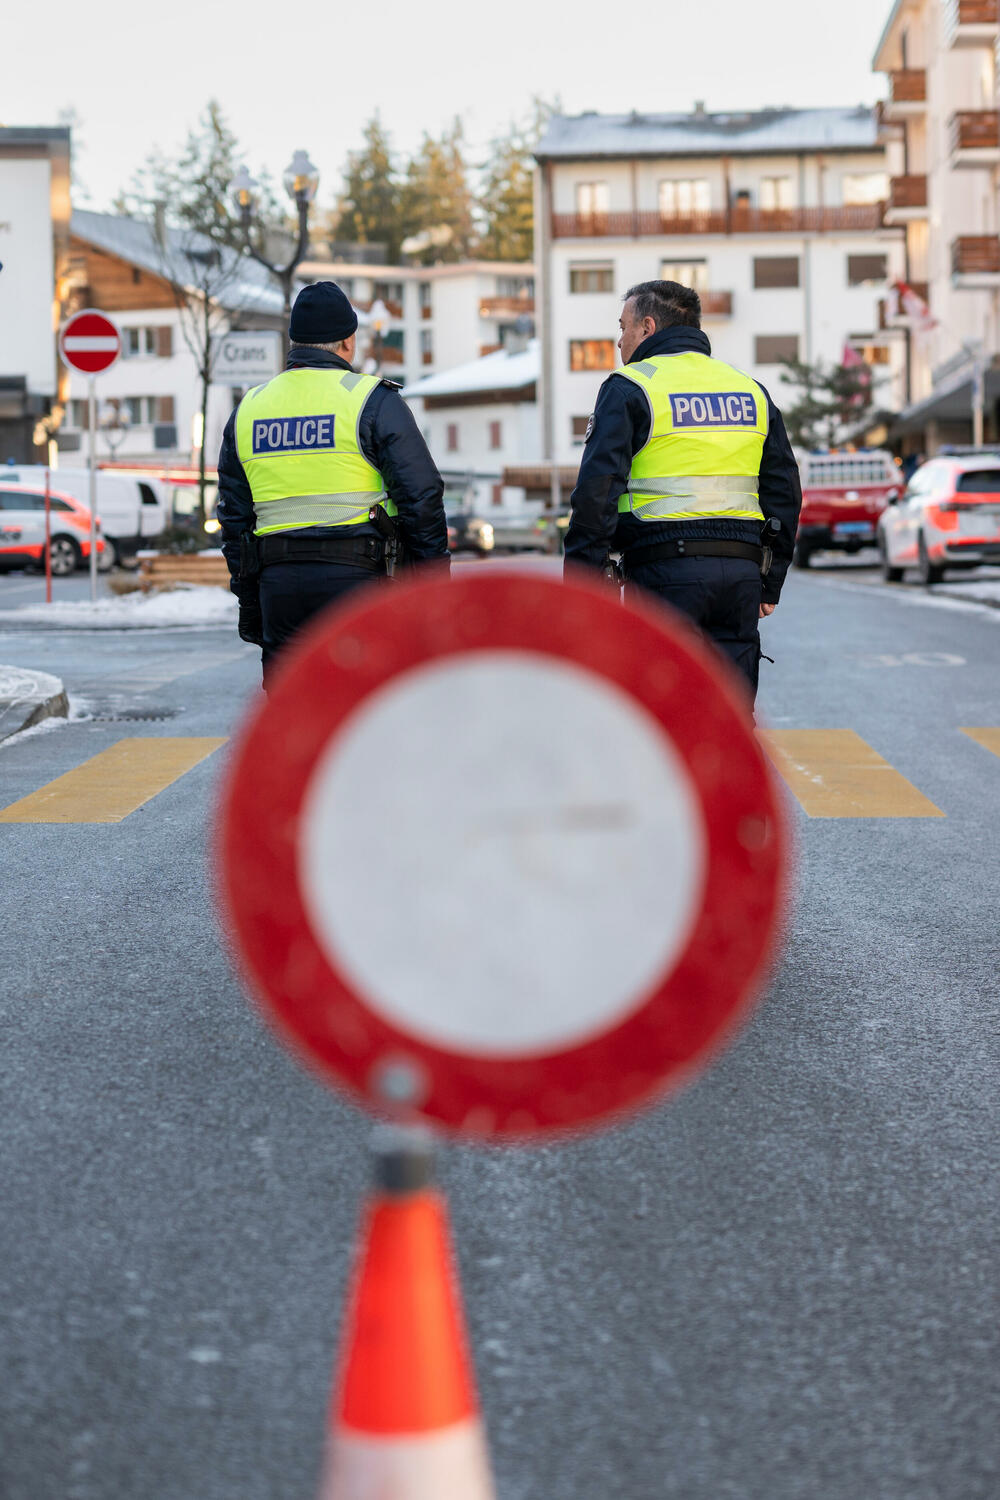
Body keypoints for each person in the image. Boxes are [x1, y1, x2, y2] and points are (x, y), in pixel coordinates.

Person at [563, 279, 801, 702]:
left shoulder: (630, 387)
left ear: (648, 328)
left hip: (664, 573)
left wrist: (582, 587)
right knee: (729, 714)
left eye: (623, 328)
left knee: (665, 715)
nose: (620, 341)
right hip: (741, 576)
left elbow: (596, 494)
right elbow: (783, 489)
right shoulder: (749, 390)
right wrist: (770, 581)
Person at [217, 281, 449, 682]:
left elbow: (233, 518)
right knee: (362, 711)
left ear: (295, 343)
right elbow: (422, 499)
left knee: (294, 709)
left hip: (280, 583)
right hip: (359, 581)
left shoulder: (250, 408)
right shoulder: (372, 401)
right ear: (348, 342)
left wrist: (251, 593)